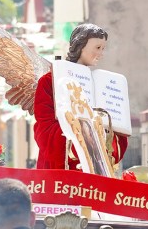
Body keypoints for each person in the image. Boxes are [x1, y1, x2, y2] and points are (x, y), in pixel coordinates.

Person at [33, 23, 128, 170]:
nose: (101, 53)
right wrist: (82, 133)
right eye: (97, 48)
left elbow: (116, 136)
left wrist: (105, 131)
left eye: (103, 48)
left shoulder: (101, 84)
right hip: (62, 171)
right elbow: (44, 128)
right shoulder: (50, 81)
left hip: (95, 168)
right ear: (81, 45)